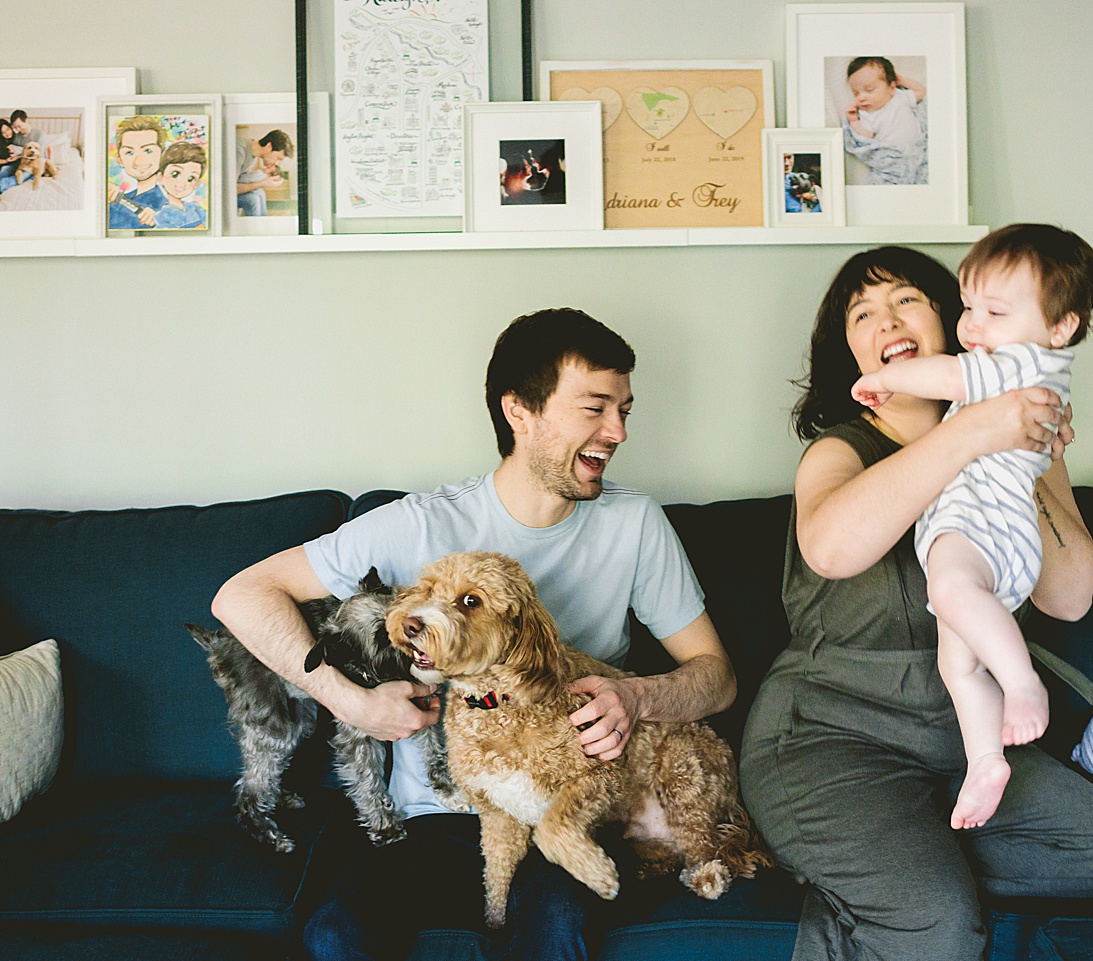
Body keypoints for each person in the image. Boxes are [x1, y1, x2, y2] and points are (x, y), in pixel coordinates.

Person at [211, 308, 738, 961]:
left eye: (625, 409)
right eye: (596, 408)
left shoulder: (635, 525)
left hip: (565, 811)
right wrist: (352, 702)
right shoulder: (418, 524)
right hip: (435, 818)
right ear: (519, 411)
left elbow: (716, 675)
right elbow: (241, 594)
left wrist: (638, 698)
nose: (618, 431)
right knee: (335, 934)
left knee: (556, 927)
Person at [738, 246, 1093, 961]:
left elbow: (1071, 594)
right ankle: (894, 884)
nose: (884, 319)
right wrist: (974, 429)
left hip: (959, 744)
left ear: (955, 322)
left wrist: (1038, 455)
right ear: (854, 351)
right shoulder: (840, 451)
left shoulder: (1013, 444)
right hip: (828, 741)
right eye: (861, 314)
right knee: (939, 925)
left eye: (905, 299)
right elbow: (832, 549)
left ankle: (873, 878)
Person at [849, 225, 1093, 832]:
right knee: (958, 667)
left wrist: (884, 380)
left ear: (1060, 326)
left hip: (986, 531)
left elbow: (947, 378)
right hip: (985, 541)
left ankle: (1023, 685)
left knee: (950, 592)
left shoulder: (1021, 366)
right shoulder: (1015, 373)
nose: (974, 326)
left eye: (994, 311)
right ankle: (986, 761)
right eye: (968, 308)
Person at [841, 56, 927, 185]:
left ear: (891, 87)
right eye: (856, 93)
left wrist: (902, 80)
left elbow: (921, 91)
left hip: (917, 152)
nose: (862, 97)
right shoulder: (866, 114)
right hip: (892, 160)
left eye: (869, 90)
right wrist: (854, 121)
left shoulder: (900, 97)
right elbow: (867, 136)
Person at [107, 115, 168, 229]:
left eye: (148, 151)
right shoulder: (124, 197)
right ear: (120, 159)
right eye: (129, 152)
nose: (138, 161)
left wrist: (118, 199)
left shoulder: (162, 204)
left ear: (163, 155)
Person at [235, 128, 292, 217]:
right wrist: (263, 183)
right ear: (269, 146)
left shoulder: (253, 155)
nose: (276, 163)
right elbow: (229, 190)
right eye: (278, 158)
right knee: (253, 199)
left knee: (260, 193)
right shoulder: (239, 151)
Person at [152, 140, 207, 229]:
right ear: (160, 177)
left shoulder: (195, 208)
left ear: (196, 184)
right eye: (175, 174)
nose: (182, 183)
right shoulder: (162, 216)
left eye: (191, 179)